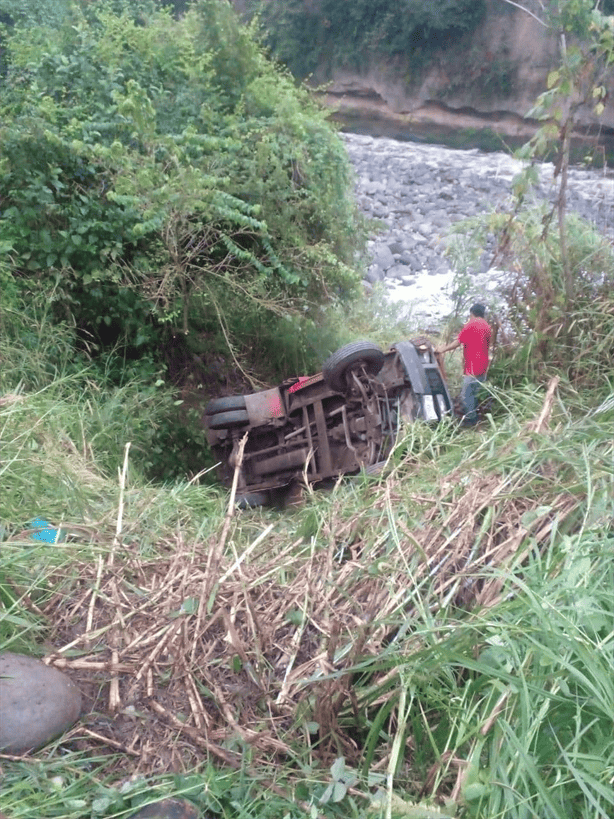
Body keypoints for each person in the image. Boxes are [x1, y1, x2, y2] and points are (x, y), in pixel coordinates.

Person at [437, 303, 492, 427]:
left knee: (467, 395)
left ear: (472, 313)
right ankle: (478, 415)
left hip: (473, 366)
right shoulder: (487, 326)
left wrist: (443, 349)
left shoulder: (471, 325)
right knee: (475, 392)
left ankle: (471, 421)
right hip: (483, 365)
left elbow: (457, 342)